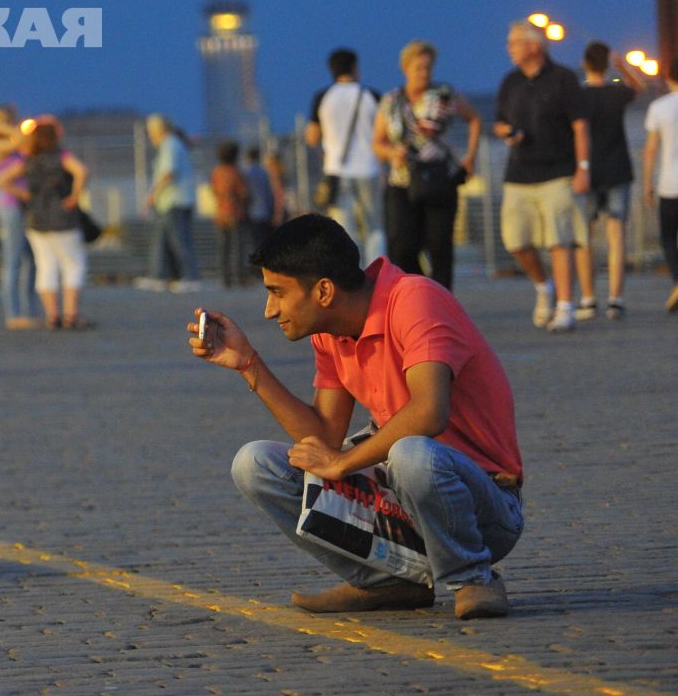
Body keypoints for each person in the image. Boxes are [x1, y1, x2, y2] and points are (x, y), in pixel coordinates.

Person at [191, 215, 523, 621]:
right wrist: (248, 364)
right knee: (255, 464)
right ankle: (386, 582)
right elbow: (324, 438)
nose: (268, 310)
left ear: (324, 291)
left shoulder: (414, 299)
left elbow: (429, 412)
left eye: (277, 292)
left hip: (482, 509)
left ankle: (472, 576)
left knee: (411, 454)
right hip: (401, 499)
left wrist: (345, 463)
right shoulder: (329, 332)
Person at [492, 21, 591, 332]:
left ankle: (565, 307)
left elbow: (580, 126)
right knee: (515, 241)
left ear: (534, 46)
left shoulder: (563, 78)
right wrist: (507, 132)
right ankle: (542, 286)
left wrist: (583, 168)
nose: (509, 48)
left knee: (560, 240)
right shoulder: (510, 81)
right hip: (519, 173)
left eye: (514, 43)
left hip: (558, 172)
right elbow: (497, 122)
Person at [372, 41, 481, 292]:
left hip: (438, 179)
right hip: (402, 181)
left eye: (428, 67)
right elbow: (377, 142)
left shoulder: (444, 96)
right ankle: (418, 294)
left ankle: (442, 299)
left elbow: (474, 118)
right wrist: (392, 152)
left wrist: (470, 156)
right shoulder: (391, 101)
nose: (424, 73)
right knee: (402, 245)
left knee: (440, 244)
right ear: (405, 68)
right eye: (419, 68)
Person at [576, 42, 643, 320]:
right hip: (618, 169)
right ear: (606, 64)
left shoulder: (578, 96)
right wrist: (623, 66)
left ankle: (588, 298)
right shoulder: (617, 92)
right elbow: (640, 87)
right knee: (617, 238)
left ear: (584, 63)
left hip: (588, 172)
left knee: (585, 238)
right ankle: (616, 300)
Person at [308, 49, 381, 252]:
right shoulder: (371, 96)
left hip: (336, 170)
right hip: (369, 168)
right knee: (373, 226)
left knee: (343, 230)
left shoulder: (323, 97)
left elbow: (312, 137)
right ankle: (377, 274)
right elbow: (384, 133)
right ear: (355, 67)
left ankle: (349, 277)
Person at [22, 118, 92, 329]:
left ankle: (52, 316)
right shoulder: (61, 156)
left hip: (36, 219)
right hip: (62, 218)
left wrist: (25, 195)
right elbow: (82, 171)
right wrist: (74, 196)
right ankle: (71, 314)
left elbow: (2, 179)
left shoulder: (29, 160)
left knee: (45, 266)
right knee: (73, 264)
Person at [0, 105, 38, 327]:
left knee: (28, 258)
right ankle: (13, 314)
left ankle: (28, 310)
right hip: (8, 203)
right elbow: (24, 142)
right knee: (13, 258)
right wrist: (5, 126)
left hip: (17, 204)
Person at [139, 114, 197, 292]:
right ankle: (159, 277)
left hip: (175, 201)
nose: (149, 135)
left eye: (150, 131)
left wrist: (151, 195)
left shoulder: (170, 144)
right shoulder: (171, 144)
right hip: (169, 202)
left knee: (179, 242)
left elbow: (169, 173)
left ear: (158, 130)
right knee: (162, 241)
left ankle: (189, 278)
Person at [641, 80, 678, 313]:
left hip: (669, 183)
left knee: (668, 237)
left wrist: (647, 184)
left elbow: (651, 149)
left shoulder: (659, 106)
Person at [209, 142, 252, 288]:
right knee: (238, 247)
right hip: (236, 213)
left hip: (220, 214)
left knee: (223, 248)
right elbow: (244, 193)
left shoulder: (216, 172)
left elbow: (213, 190)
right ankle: (239, 277)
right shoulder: (235, 173)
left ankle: (225, 278)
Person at [242, 146, 276, 254]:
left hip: (251, 212)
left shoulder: (246, 172)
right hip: (264, 211)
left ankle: (254, 266)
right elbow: (269, 193)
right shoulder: (264, 172)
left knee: (252, 242)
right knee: (262, 241)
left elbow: (245, 193)